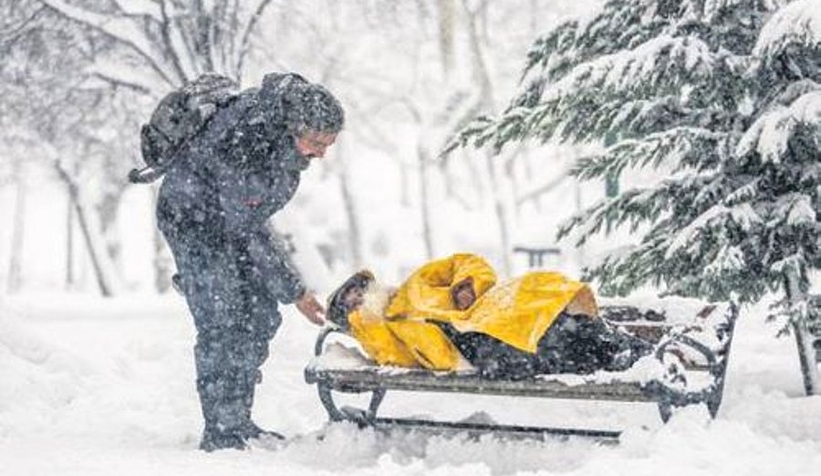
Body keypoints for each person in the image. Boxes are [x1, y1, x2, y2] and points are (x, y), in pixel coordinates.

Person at [156, 72, 344, 451]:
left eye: (330, 143)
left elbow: (248, 220)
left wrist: (282, 291)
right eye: (318, 142)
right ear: (296, 127)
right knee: (222, 321)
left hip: (231, 220)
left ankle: (238, 420)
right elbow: (249, 228)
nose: (323, 152)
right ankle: (222, 431)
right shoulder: (248, 140)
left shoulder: (281, 132)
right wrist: (295, 291)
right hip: (193, 221)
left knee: (258, 313)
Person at [327, 253, 652, 379]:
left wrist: (466, 285)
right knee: (536, 351)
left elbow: (467, 262)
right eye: (349, 302)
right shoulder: (383, 334)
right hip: (469, 349)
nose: (358, 298)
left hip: (487, 312)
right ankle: (630, 359)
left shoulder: (417, 283)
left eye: (357, 290)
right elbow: (394, 356)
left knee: (549, 311)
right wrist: (362, 321)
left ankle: (637, 353)